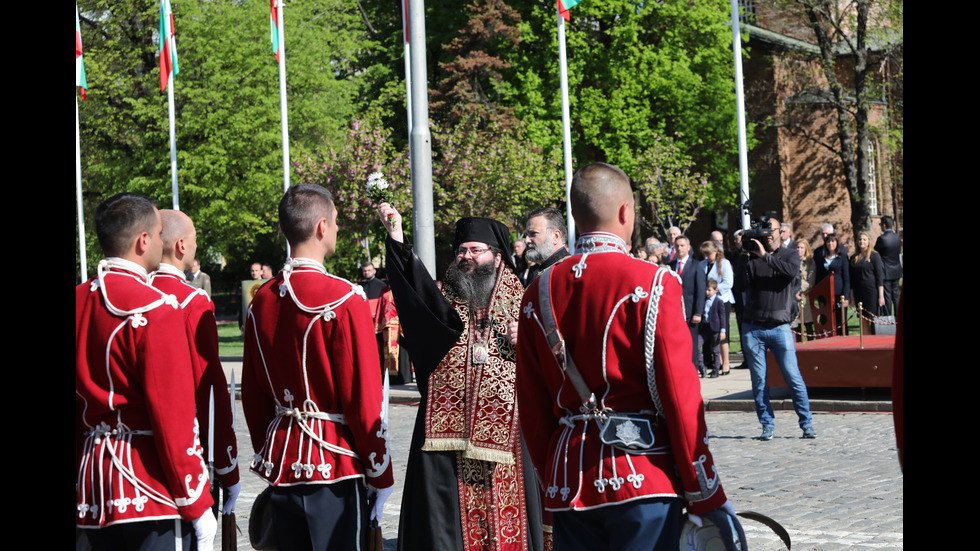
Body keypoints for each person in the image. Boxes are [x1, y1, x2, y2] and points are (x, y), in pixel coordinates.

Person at [517, 163, 738, 551]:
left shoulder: (538, 291)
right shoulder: (654, 283)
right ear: (625, 212)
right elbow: (681, 399)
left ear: (574, 216)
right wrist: (705, 493)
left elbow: (532, 407)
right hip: (644, 476)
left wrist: (550, 480)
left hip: (569, 479)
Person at [377, 203, 543, 551]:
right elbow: (413, 292)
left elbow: (555, 359)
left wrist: (530, 338)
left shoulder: (526, 300)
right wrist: (396, 236)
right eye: (461, 250)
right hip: (446, 439)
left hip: (508, 441)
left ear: (497, 256)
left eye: (475, 250)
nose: (466, 256)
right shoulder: (444, 299)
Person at [242, 185, 394, 550]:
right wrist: (379, 470)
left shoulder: (261, 299)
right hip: (335, 462)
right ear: (322, 226)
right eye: (337, 222)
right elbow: (363, 398)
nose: (338, 230)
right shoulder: (344, 297)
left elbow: (253, 393)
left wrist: (273, 447)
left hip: (282, 460)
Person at [76, 193, 216, 550]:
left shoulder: (79, 299)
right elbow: (173, 417)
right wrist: (197, 503)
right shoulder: (157, 307)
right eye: (156, 234)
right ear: (142, 242)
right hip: (147, 485)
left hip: (88, 485)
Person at [149, 210, 241, 519]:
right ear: (181, 246)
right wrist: (227, 467)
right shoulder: (192, 301)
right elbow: (209, 390)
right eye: (195, 240)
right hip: (185, 454)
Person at [735, 220, 816, 440]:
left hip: (780, 327)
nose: (768, 235)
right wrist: (744, 255)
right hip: (753, 327)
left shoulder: (790, 254)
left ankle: (806, 423)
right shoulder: (752, 256)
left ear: (780, 233)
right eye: (765, 231)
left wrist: (764, 256)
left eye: (771, 231)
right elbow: (741, 285)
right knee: (759, 380)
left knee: (792, 376)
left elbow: (789, 272)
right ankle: (767, 425)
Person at [669, 235, 706, 376]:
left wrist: (698, 312)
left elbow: (700, 291)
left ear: (688, 247)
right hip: (674, 313)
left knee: (691, 344)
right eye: (677, 246)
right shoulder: (670, 266)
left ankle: (692, 371)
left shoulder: (696, 266)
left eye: (682, 245)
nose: (679, 248)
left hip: (691, 313)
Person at [700, 241, 734, 375]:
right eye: (704, 255)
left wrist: (715, 290)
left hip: (721, 300)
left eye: (708, 254)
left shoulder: (724, 263)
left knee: (722, 332)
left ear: (715, 252)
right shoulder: (703, 264)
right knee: (712, 332)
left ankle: (726, 363)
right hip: (708, 301)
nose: (706, 257)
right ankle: (717, 362)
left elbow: (729, 282)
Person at [524, 206, 570, 283]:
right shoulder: (538, 270)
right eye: (527, 235)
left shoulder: (568, 271)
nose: (527, 240)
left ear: (555, 236)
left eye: (533, 234)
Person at [815, 233, 850, 335]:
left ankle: (843, 342)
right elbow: (819, 278)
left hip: (839, 294)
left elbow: (847, 278)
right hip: (825, 295)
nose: (830, 243)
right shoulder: (821, 258)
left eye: (833, 241)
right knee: (826, 320)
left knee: (840, 321)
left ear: (837, 243)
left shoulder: (842, 257)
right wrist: (820, 298)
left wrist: (846, 297)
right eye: (828, 241)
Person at [850, 231, 886, 322]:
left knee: (872, 320)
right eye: (860, 239)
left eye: (864, 239)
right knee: (863, 320)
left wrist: (881, 296)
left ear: (868, 241)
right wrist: (852, 297)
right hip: (859, 292)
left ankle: (873, 337)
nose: (861, 241)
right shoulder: (854, 258)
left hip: (871, 293)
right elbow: (852, 279)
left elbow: (880, 277)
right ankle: (865, 336)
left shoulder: (874, 256)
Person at [874, 215, 902, 314]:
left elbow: (875, 251)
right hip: (897, 269)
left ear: (884, 225)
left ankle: (889, 318)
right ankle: (898, 318)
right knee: (896, 296)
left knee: (887, 296)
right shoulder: (897, 237)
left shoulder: (882, 239)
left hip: (886, 270)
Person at [700, 279, 727, 378]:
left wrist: (722, 330)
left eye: (709, 290)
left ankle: (716, 369)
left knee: (716, 350)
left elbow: (722, 317)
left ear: (716, 290)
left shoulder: (719, 301)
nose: (707, 292)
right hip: (704, 327)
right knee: (697, 345)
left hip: (715, 328)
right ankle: (701, 366)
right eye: (706, 290)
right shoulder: (703, 300)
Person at [795, 240, 817, 340]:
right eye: (798, 247)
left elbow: (810, 282)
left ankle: (810, 346)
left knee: (808, 323)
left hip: (805, 296)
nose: (799, 250)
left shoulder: (810, 262)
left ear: (806, 249)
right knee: (797, 325)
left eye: (802, 248)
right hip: (794, 296)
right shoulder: (792, 261)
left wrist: (799, 290)